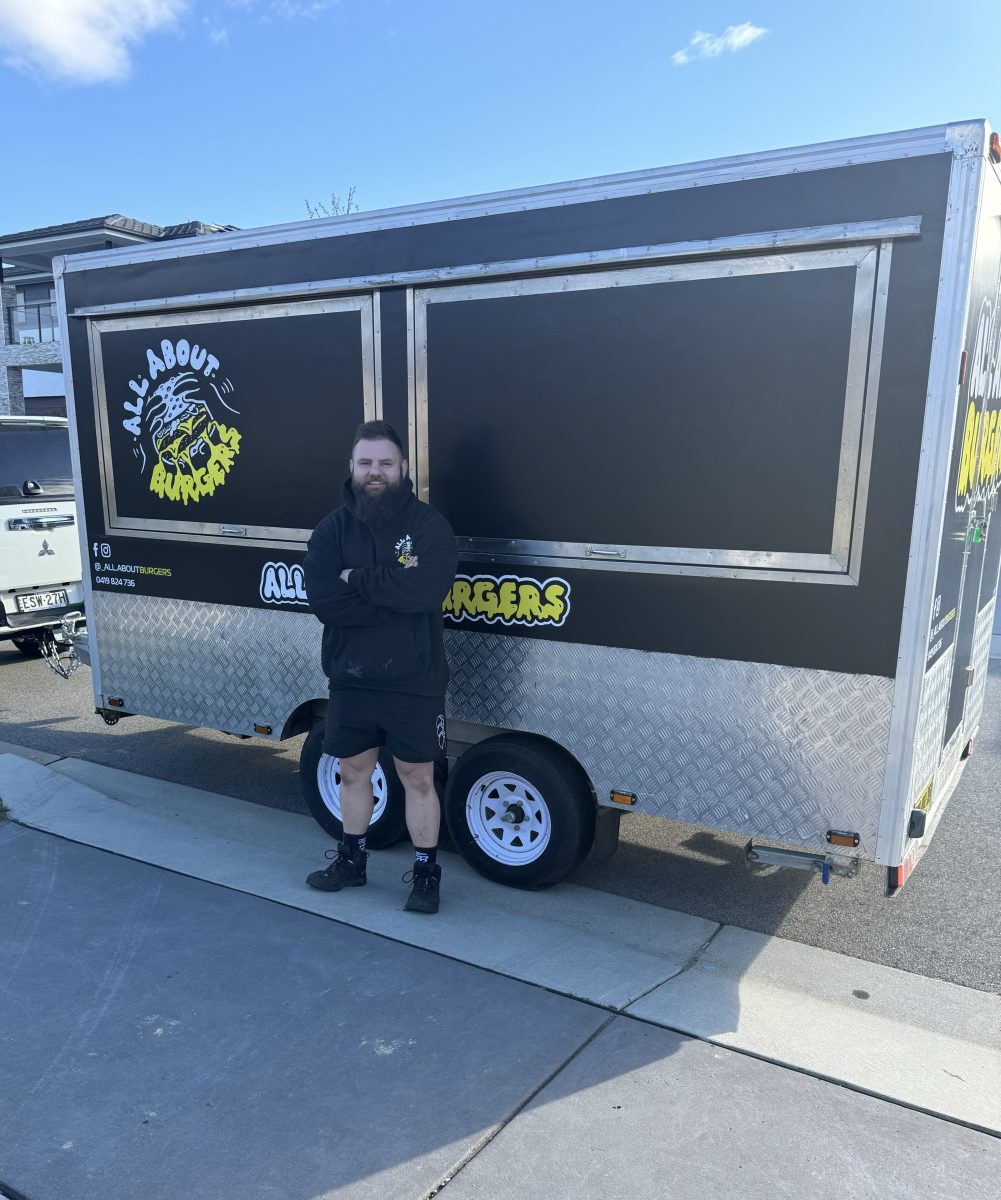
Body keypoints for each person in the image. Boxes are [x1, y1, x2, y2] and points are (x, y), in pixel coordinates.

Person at [302, 420, 457, 913]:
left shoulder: (429, 526)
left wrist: (358, 579)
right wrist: (393, 589)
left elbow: (427, 592)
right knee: (353, 772)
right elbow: (327, 601)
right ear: (351, 467)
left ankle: (426, 875)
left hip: (415, 679)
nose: (375, 472)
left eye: (385, 463)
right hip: (351, 678)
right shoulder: (331, 530)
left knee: (418, 777)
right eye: (366, 462)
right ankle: (352, 862)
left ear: (403, 468)